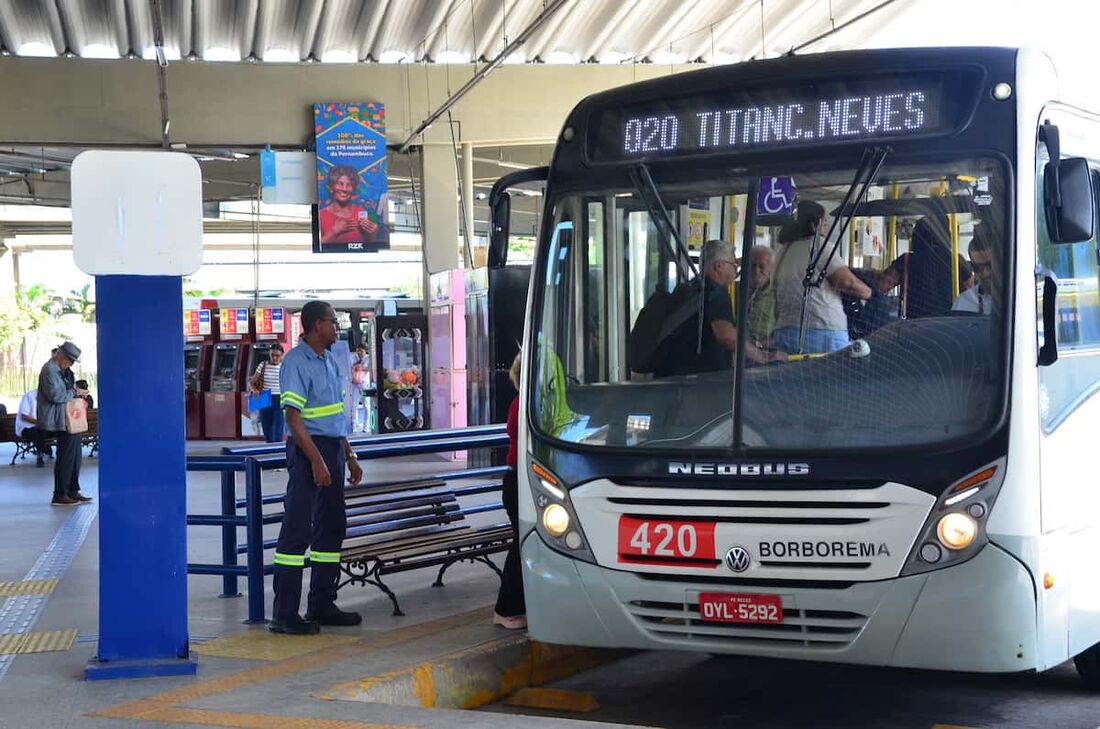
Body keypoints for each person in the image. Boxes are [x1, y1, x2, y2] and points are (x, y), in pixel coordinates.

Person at [270, 301, 364, 635]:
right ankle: (284, 614)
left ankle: (322, 603)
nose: (335, 326)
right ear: (314, 325)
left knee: (331, 527)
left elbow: (334, 416)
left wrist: (349, 456)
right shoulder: (297, 362)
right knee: (297, 530)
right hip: (308, 451)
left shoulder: (328, 360)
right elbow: (293, 418)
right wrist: (317, 461)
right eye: (331, 321)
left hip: (332, 449)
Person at [655, 240, 781, 376]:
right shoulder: (716, 292)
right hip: (697, 380)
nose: (736, 270)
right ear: (719, 266)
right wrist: (763, 356)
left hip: (674, 374)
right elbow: (726, 335)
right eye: (733, 265)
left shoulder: (691, 288)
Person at [773, 201, 873, 354]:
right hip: (821, 331)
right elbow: (846, 282)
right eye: (825, 224)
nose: (826, 230)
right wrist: (871, 294)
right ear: (814, 225)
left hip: (785, 331)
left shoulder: (782, 252)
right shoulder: (817, 246)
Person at [878, 214, 970, 319]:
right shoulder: (957, 261)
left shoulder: (906, 261)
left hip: (916, 325)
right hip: (949, 325)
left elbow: (881, 287)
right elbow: (972, 294)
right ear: (947, 235)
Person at [494, 353, 527, 630]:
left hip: (523, 481)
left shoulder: (526, 402)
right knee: (521, 545)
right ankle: (505, 609)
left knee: (525, 545)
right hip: (518, 483)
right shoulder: (522, 404)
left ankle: (519, 605)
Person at [39, 342, 92, 506]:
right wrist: (75, 392)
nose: (71, 364)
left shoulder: (64, 371)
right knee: (66, 457)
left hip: (69, 418)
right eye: (70, 360)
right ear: (61, 356)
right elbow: (55, 395)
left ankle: (73, 490)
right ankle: (60, 493)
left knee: (75, 456)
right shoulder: (49, 370)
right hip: (60, 419)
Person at [318, 166, 387, 245]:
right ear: (330, 188)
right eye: (340, 184)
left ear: (354, 189)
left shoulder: (361, 212)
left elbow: (368, 246)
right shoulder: (321, 216)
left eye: (349, 185)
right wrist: (334, 231)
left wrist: (372, 234)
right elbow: (318, 247)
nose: (344, 189)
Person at [249, 344, 285, 443]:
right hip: (265, 397)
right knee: (266, 424)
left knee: (278, 424)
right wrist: (254, 390)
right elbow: (251, 382)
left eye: (277, 355)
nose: (274, 358)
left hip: (280, 397)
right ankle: (269, 443)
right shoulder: (263, 365)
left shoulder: (284, 366)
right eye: (272, 355)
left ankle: (277, 445)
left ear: (282, 355)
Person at [953, 233, 994, 315]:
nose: (985, 273)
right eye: (977, 267)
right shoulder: (963, 304)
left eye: (990, 265)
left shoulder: (1022, 300)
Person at [746, 245, 777, 350]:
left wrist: (757, 345)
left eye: (761, 266)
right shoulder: (740, 291)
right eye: (753, 265)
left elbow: (782, 334)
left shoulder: (777, 295)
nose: (756, 271)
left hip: (765, 355)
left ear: (771, 269)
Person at [15, 388, 49, 467]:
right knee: (38, 431)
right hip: (27, 427)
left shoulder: (49, 396)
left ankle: (46, 449)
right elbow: (24, 415)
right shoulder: (29, 395)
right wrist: (40, 423)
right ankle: (40, 455)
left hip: (42, 427)